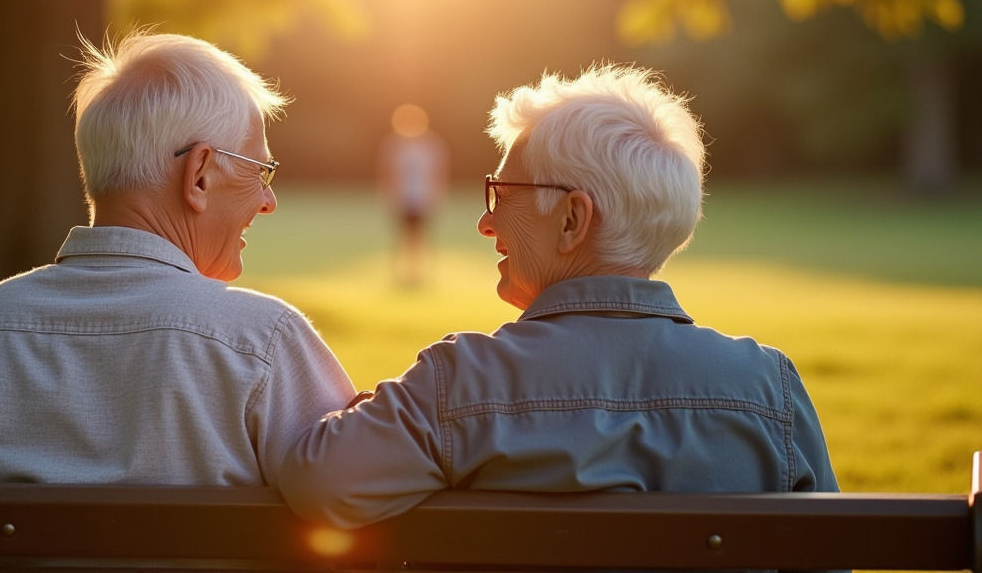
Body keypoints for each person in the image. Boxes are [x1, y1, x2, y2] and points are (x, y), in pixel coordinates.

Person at [278, 63, 838, 528]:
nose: (485, 222)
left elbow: (315, 482)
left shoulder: (464, 382)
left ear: (572, 219)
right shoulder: (771, 393)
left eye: (502, 194)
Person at [0, 31, 355, 492]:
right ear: (200, 175)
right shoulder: (262, 345)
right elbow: (356, 521)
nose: (268, 200)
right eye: (260, 170)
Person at [376, 104, 450, 285]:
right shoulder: (394, 145)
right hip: (402, 198)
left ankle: (418, 274)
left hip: (423, 198)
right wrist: (390, 196)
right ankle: (404, 275)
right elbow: (388, 172)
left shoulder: (430, 145)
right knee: (403, 237)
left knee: (421, 237)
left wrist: (436, 196)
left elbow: (438, 172)